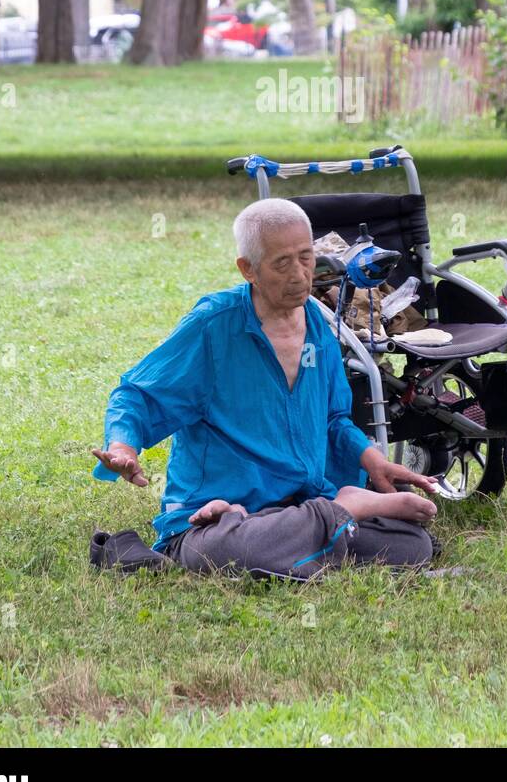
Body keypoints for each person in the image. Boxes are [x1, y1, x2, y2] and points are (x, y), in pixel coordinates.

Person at [90, 198, 441, 579]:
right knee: (223, 550)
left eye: (306, 258)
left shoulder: (318, 328)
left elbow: (334, 419)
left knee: (412, 546)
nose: (299, 275)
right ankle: (343, 513)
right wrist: (123, 446)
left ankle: (328, 520)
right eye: (282, 263)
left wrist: (372, 460)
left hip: (298, 506)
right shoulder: (213, 325)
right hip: (216, 517)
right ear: (248, 269)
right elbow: (138, 394)